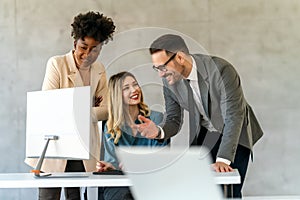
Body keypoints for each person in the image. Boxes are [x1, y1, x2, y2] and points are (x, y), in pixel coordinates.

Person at [133, 34, 264, 198]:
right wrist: (158, 131)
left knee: (228, 191)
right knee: (197, 189)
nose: (161, 74)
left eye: (162, 67)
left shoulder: (221, 70)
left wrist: (222, 160)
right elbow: (173, 119)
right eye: (157, 69)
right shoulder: (169, 81)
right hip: (207, 133)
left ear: (180, 57)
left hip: (235, 134)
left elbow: (233, 116)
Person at [25, 11, 115, 200]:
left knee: (76, 196)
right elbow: (50, 105)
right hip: (54, 143)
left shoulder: (99, 70)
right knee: (49, 196)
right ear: (75, 44)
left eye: (95, 49)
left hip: (83, 145)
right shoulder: (57, 64)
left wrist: (74, 110)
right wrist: (90, 109)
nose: (88, 54)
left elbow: (106, 110)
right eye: (83, 47)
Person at [96, 71, 169, 200]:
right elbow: (114, 162)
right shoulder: (110, 126)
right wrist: (110, 166)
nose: (134, 90)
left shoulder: (157, 118)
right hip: (120, 183)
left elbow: (162, 158)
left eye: (135, 85)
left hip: (150, 180)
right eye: (126, 88)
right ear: (117, 95)